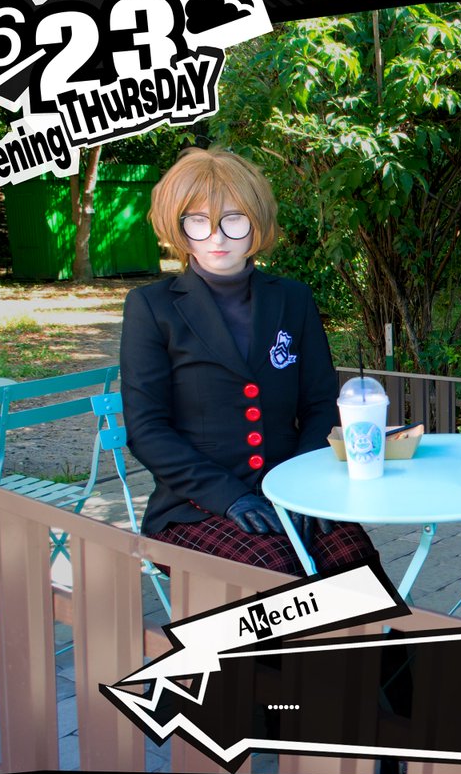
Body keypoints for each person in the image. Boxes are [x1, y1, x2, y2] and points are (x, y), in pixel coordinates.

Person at [119, 147, 376, 575]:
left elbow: (318, 404)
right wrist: (231, 498)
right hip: (193, 506)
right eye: (198, 221)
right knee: (274, 569)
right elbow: (147, 429)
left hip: (288, 491)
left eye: (233, 219)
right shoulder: (151, 306)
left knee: (355, 560)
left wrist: (300, 488)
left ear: (256, 222)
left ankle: (375, 626)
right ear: (178, 226)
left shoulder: (293, 299)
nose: (217, 238)